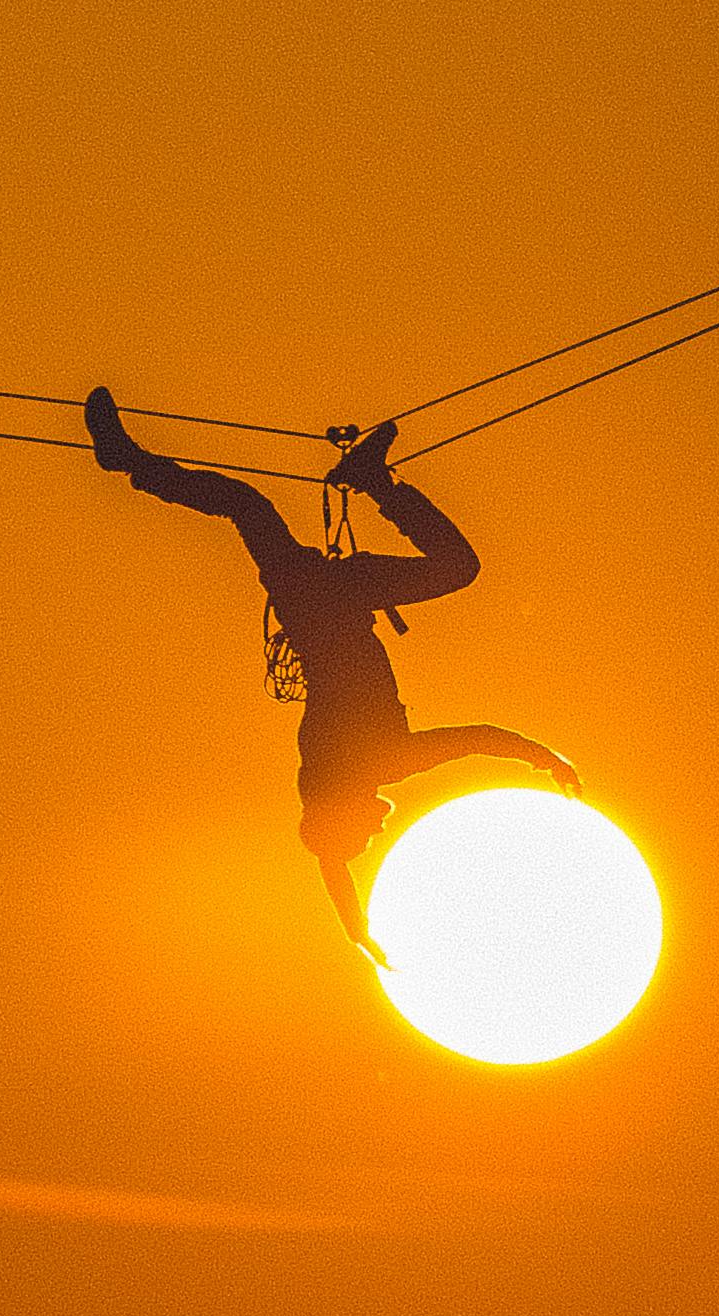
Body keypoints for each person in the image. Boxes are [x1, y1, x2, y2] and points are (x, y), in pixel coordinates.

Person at [84, 389, 576, 958]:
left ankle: (131, 462)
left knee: (255, 507)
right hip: (334, 598)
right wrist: (355, 927)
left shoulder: (366, 766)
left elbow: (338, 848)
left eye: (365, 835)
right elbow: (334, 857)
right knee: (249, 505)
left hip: (318, 602)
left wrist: (545, 758)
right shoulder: (351, 770)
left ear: (347, 815)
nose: (379, 832)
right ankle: (370, 480)